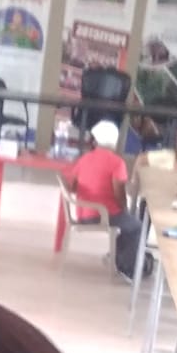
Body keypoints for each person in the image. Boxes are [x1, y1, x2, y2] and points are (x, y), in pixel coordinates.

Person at [66, 119, 142, 284]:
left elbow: (71, 187)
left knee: (128, 222)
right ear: (114, 141)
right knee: (136, 226)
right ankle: (126, 267)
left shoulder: (84, 158)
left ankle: (116, 257)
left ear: (96, 140)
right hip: (104, 215)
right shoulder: (117, 163)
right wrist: (125, 209)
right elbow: (119, 194)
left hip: (83, 214)